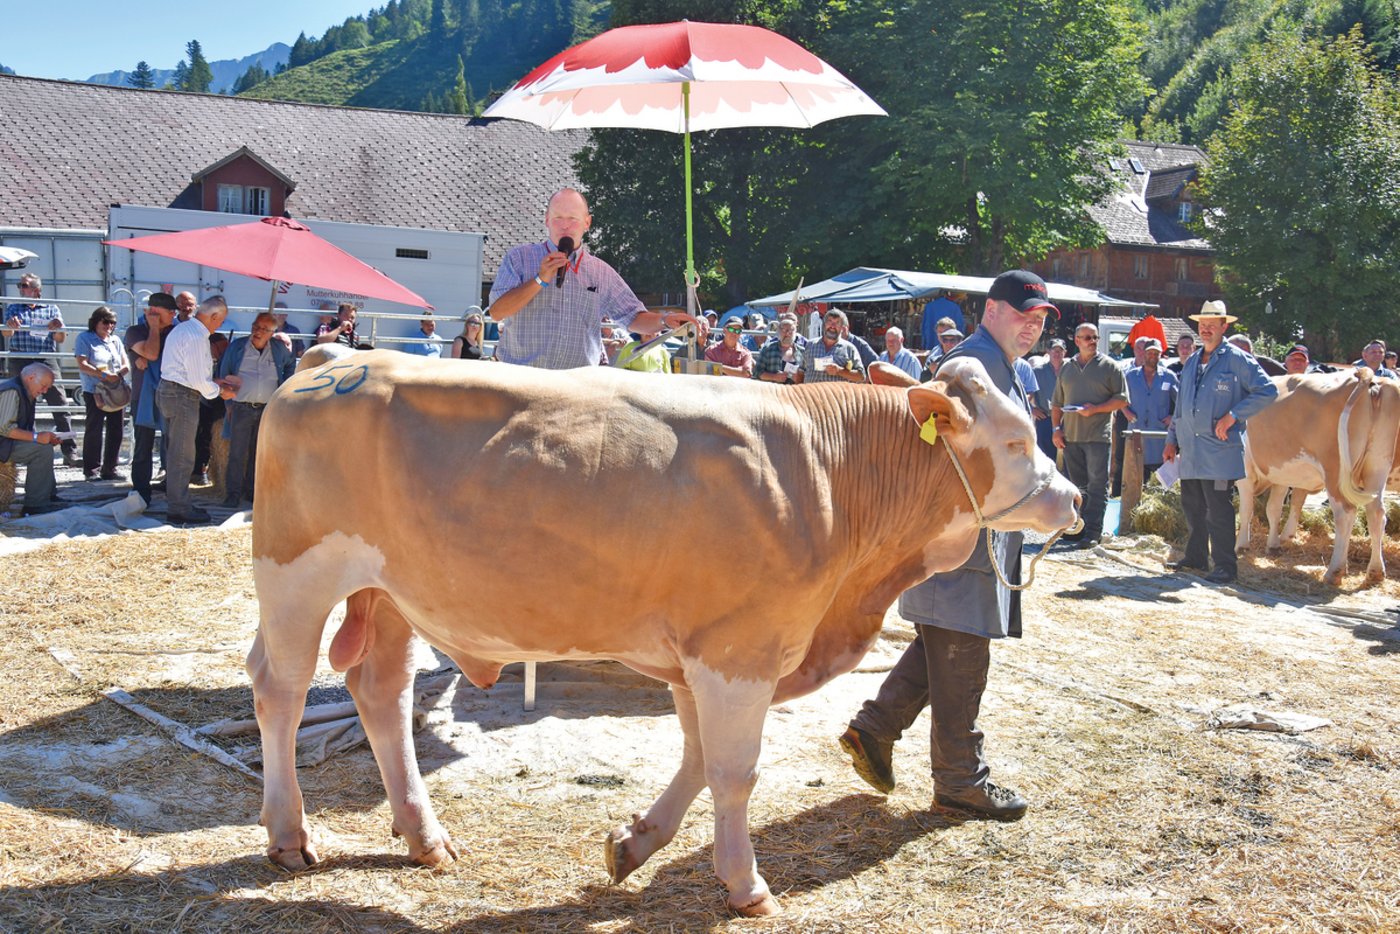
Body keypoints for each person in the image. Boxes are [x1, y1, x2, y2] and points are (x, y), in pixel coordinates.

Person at [840, 269, 1058, 821]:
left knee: (944, 639)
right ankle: (961, 779)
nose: (1031, 326)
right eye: (1022, 313)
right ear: (991, 310)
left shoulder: (1003, 366)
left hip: (979, 535)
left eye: (1039, 318)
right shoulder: (969, 370)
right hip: (961, 535)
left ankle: (875, 729)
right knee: (962, 649)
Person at [487, 188, 705, 369]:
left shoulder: (601, 272)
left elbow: (633, 318)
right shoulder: (519, 258)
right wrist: (539, 279)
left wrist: (665, 320)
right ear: (546, 220)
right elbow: (497, 312)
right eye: (558, 218)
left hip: (578, 387)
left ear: (587, 223)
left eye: (572, 219)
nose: (565, 226)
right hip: (520, 381)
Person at [1163, 300, 1278, 584]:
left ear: (1224, 327)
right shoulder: (1191, 362)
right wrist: (1171, 440)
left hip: (1219, 452)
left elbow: (1268, 390)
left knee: (1219, 511)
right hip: (1190, 452)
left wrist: (1233, 415)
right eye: (1202, 325)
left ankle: (1226, 566)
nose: (1206, 330)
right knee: (1192, 507)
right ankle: (1196, 557)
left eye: (1212, 326)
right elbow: (1181, 407)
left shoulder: (1237, 359)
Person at [156, 296, 237, 524]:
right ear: (213, 317)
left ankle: (178, 502)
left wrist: (214, 384)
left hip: (173, 391)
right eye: (219, 321)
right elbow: (198, 382)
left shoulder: (186, 330)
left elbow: (196, 376)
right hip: (182, 395)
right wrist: (221, 391)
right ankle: (179, 507)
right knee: (183, 454)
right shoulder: (195, 337)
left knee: (176, 451)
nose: (219, 326)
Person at [1051, 322, 1128, 547]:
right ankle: (1076, 528)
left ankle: (1093, 532)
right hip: (1071, 436)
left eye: (1095, 338)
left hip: (1097, 437)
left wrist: (1094, 409)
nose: (1092, 341)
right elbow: (1057, 403)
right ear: (1077, 341)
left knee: (1097, 485)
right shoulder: (1067, 368)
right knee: (1076, 486)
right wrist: (1056, 429)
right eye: (1087, 338)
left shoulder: (1110, 367)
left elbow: (1122, 399)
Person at [216, 312, 295, 507]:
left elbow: (290, 363)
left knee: (258, 453)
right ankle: (232, 494)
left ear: (272, 332)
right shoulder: (237, 348)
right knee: (237, 452)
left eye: (263, 329)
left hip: (267, 409)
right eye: (255, 326)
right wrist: (228, 405)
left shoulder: (278, 349)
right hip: (241, 407)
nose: (257, 331)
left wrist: (284, 386)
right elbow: (223, 373)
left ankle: (252, 493)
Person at [1, 272, 78, 466]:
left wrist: (58, 328)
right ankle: (26, 448)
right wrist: (10, 326)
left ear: (36, 290)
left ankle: (70, 450)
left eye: (24, 285)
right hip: (20, 357)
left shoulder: (51, 308)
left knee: (60, 403)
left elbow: (61, 338)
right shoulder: (13, 307)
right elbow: (6, 333)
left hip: (45, 358)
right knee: (21, 405)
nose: (20, 289)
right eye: (20, 285)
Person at [125, 292, 178, 505]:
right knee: (143, 446)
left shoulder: (177, 333)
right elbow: (153, 353)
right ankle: (141, 492)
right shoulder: (135, 331)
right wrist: (154, 329)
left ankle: (173, 489)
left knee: (173, 445)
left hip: (171, 395)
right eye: (151, 312)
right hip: (142, 396)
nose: (174, 315)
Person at [72, 306, 130, 481]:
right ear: (96, 321)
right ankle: (91, 469)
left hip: (114, 390)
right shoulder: (85, 338)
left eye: (112, 323)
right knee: (94, 429)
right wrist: (104, 375)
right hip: (94, 390)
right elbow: (82, 364)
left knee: (116, 430)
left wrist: (119, 374)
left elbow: (125, 361)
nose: (109, 326)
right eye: (106, 322)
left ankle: (110, 468)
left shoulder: (115, 341)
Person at [0, 363, 64, 514]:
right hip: (3, 443)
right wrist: (36, 437)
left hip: (6, 443)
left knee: (44, 446)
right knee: (41, 451)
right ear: (31, 377)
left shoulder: (25, 390)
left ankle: (48, 495)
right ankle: (35, 505)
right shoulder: (12, 391)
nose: (45, 391)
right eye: (44, 385)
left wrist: (43, 438)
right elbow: (4, 428)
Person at [1124, 339, 1178, 479]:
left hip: (1158, 433)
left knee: (1158, 478)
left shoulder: (1169, 376)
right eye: (1150, 352)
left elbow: (1181, 402)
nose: (1153, 356)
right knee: (1135, 474)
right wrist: (1126, 411)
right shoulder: (1131, 376)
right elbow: (1119, 397)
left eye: (1156, 353)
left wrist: (1173, 417)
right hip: (1136, 430)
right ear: (1144, 354)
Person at [803, 310, 866, 384]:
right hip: (811, 394)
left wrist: (839, 371)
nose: (832, 326)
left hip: (836, 395)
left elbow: (861, 377)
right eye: (830, 321)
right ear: (824, 324)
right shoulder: (810, 345)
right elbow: (801, 372)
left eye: (837, 323)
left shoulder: (849, 349)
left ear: (842, 328)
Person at [1030, 339, 1066, 460]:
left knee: (1067, 459)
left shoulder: (1071, 370)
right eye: (1054, 351)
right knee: (1045, 458)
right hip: (1045, 419)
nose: (1057, 354)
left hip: (1067, 420)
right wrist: (1032, 409)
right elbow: (1026, 395)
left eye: (1060, 351)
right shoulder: (1037, 372)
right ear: (1048, 352)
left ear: (1064, 353)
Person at [752, 315, 804, 384]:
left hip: (794, 392)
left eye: (791, 330)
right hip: (773, 392)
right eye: (784, 330)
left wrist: (799, 378)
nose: (787, 333)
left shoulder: (802, 351)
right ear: (778, 332)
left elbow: (807, 374)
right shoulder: (768, 349)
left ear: (795, 332)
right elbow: (757, 372)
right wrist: (774, 377)